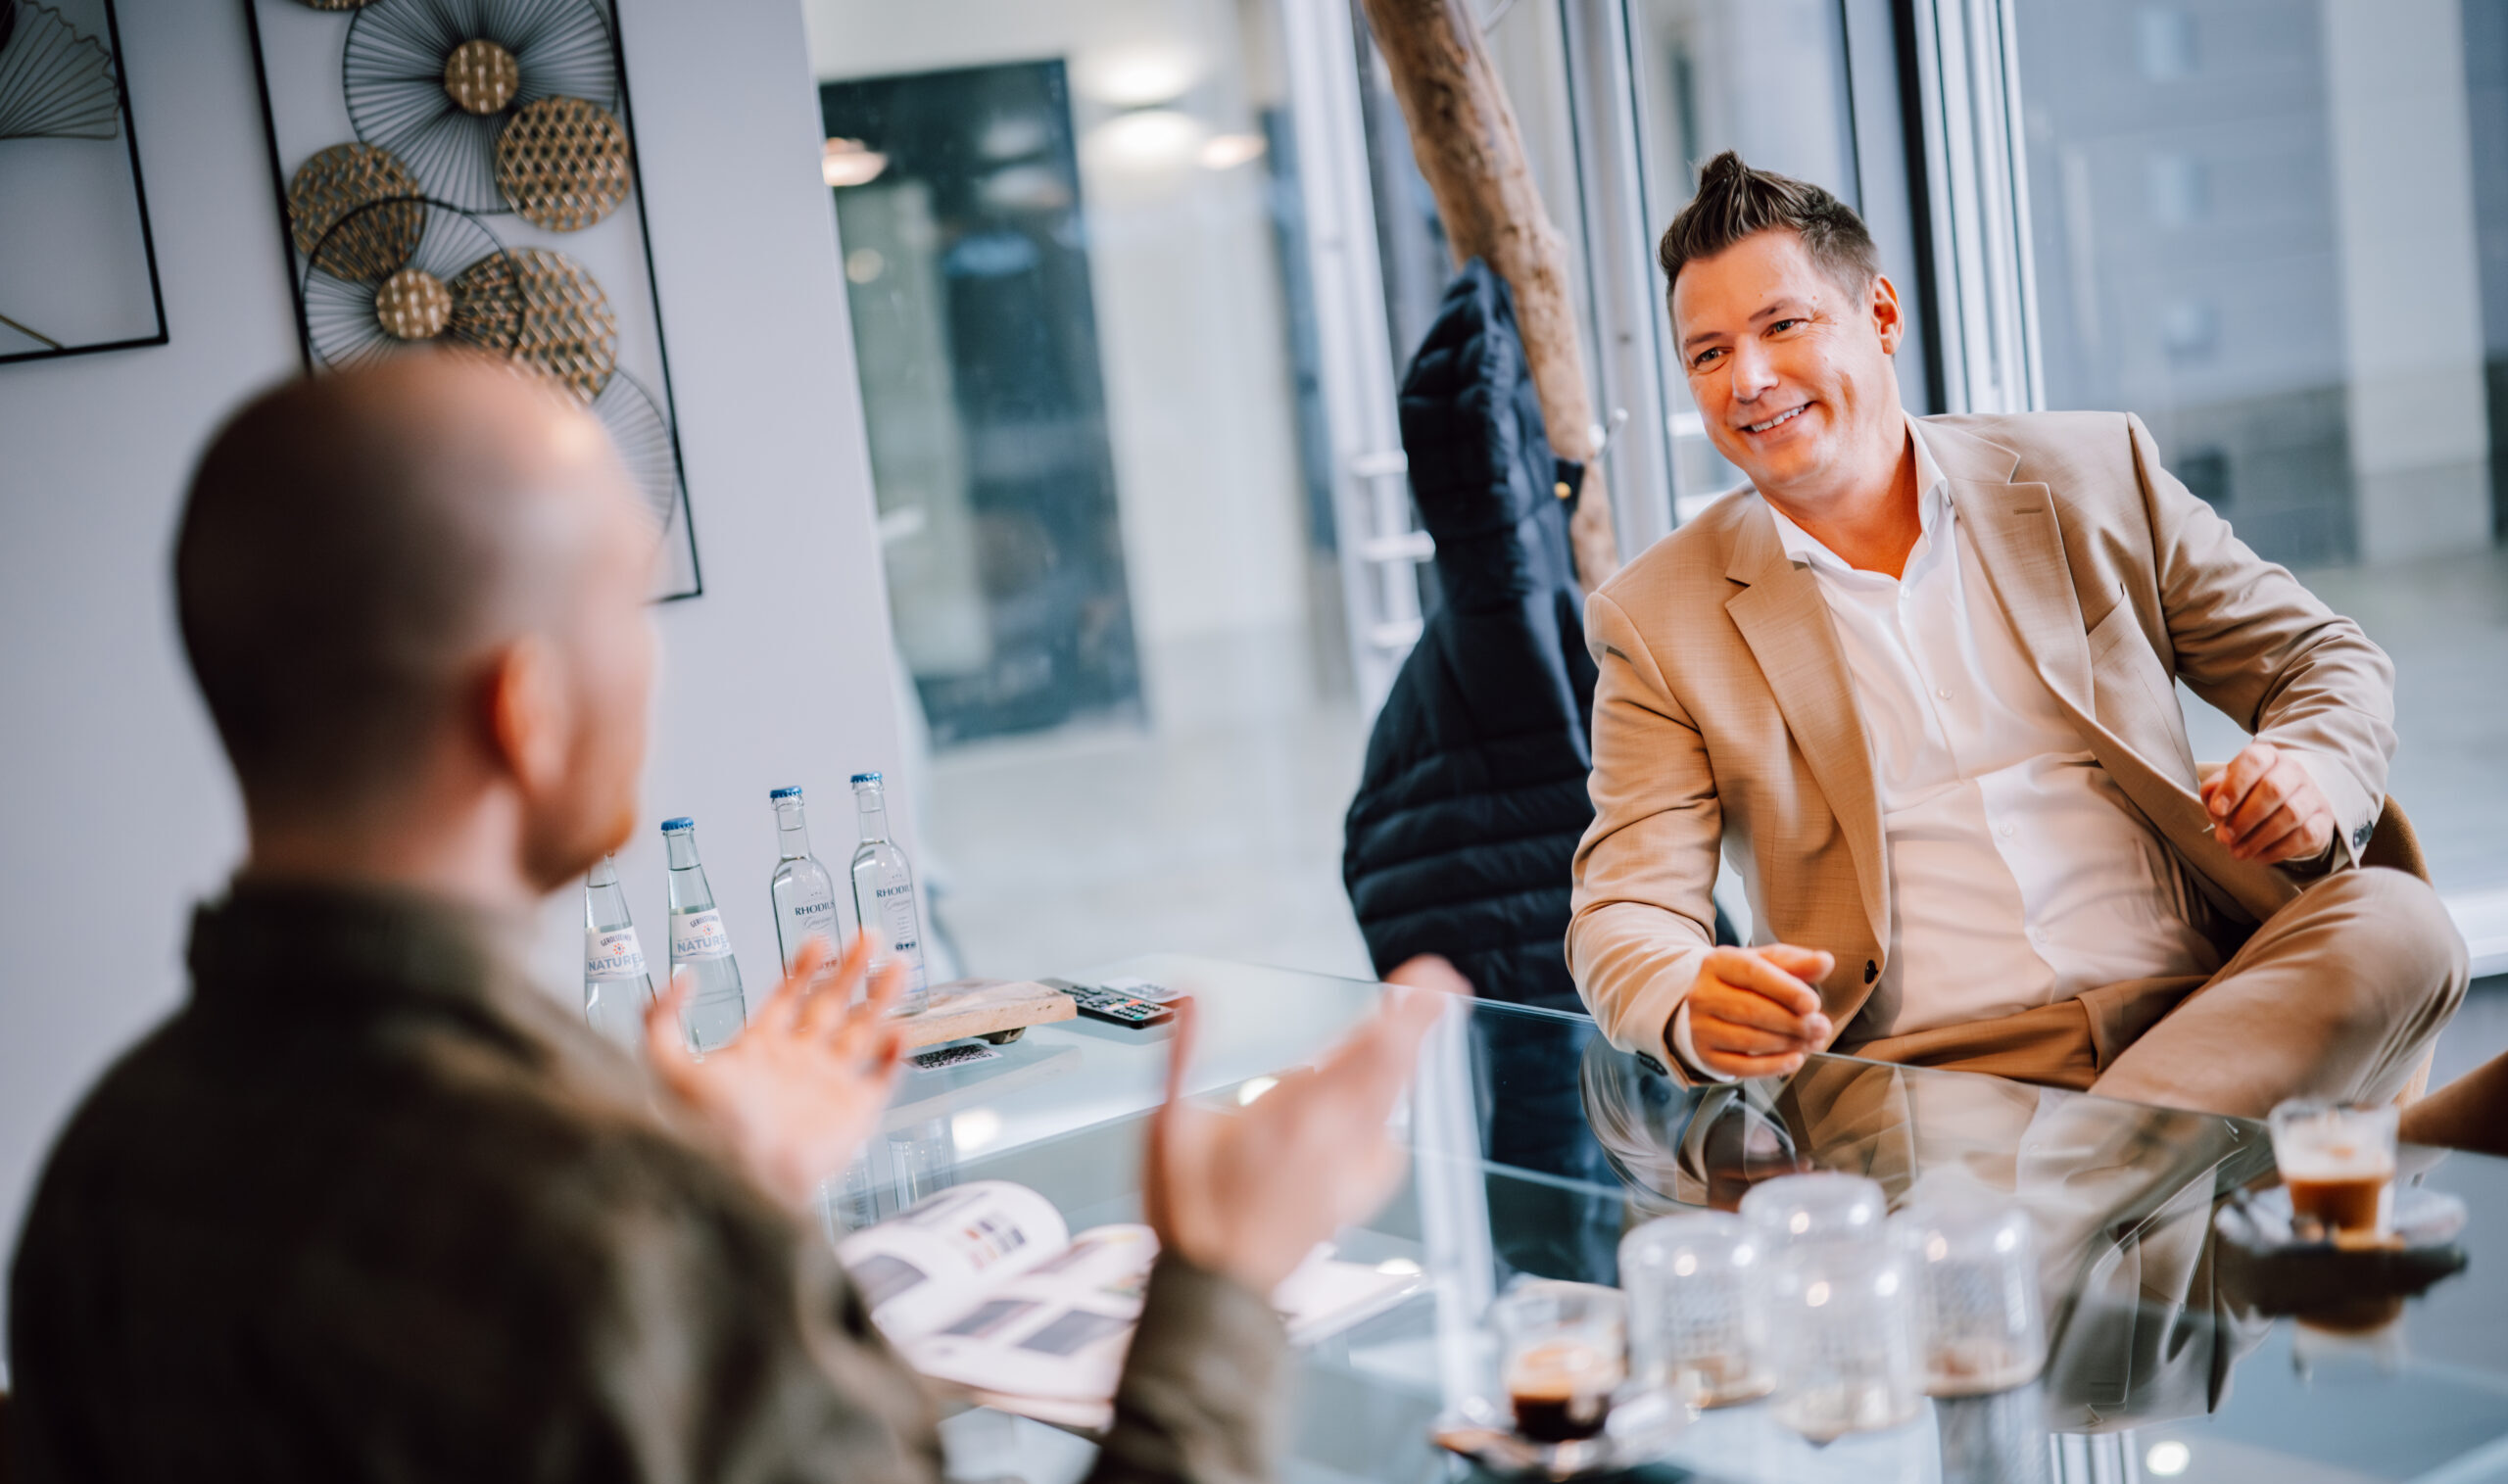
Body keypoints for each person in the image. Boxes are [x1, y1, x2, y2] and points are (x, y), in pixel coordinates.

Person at [6, 353, 1456, 1483]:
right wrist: (1222, 1277)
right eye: (629, 612)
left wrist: (718, 1178)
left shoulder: (98, 1173)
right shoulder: (612, 1229)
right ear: (529, 707)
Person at [1568, 152, 2468, 1119]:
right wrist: (1683, 996)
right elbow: (1625, 904)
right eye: (1707, 355)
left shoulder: (2092, 472)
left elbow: (2319, 658)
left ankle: (2081, 1184)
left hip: (2205, 1008)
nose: (1747, 378)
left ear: (1880, 316)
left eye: (1782, 325)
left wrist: (2310, 769)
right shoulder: (1658, 618)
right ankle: (2139, 1179)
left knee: (2401, 925)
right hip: (1927, 1084)